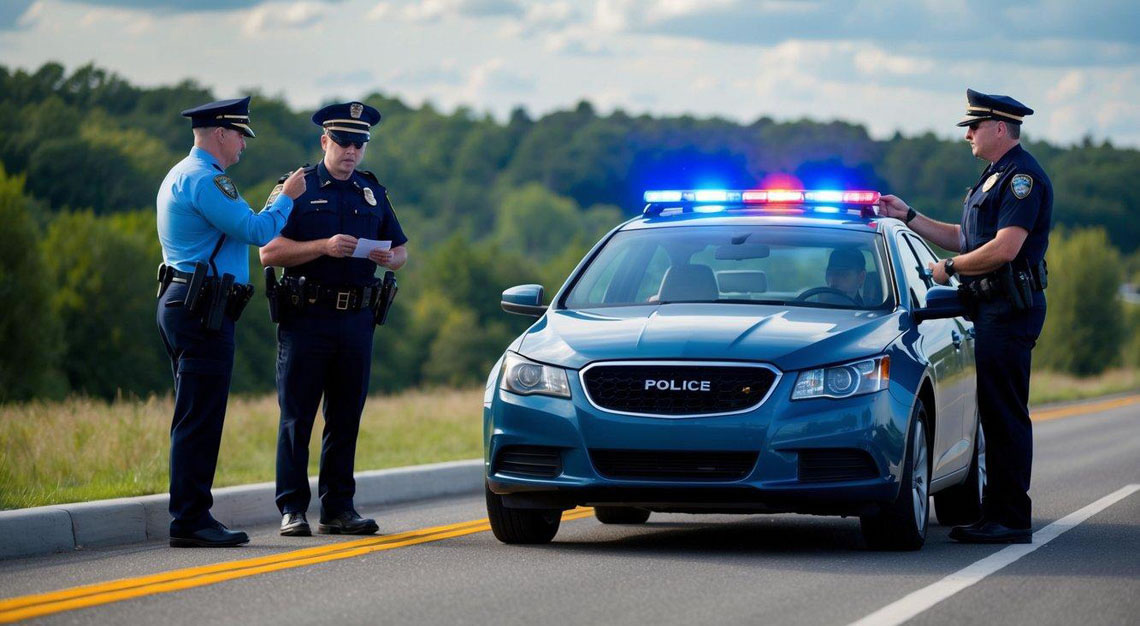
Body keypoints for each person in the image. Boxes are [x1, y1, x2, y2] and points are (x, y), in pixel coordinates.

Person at [879, 88, 1052, 544]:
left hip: (1009, 311)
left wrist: (949, 269)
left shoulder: (1021, 179)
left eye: (973, 127)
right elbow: (965, 236)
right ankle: (996, 513)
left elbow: (1005, 247)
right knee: (994, 416)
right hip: (992, 310)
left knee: (1005, 417)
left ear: (1000, 128)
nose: (968, 135)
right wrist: (909, 216)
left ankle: (1011, 518)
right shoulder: (993, 178)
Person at [156, 96, 306, 547]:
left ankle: (191, 514)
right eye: (240, 134)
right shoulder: (208, 180)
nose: (243, 144)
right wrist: (286, 198)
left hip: (184, 301)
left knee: (192, 414)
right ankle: (190, 520)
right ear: (220, 133)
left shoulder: (180, 173)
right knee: (200, 418)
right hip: (203, 309)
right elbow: (259, 232)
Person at [260, 101, 408, 537]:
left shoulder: (371, 191)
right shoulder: (296, 187)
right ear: (324, 141)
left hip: (357, 319)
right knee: (297, 416)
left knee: (345, 416)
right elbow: (269, 251)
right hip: (307, 317)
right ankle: (292, 508)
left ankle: (338, 508)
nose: (351, 151)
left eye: (359, 144)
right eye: (343, 142)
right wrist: (322, 246)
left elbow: (401, 251)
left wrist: (389, 256)